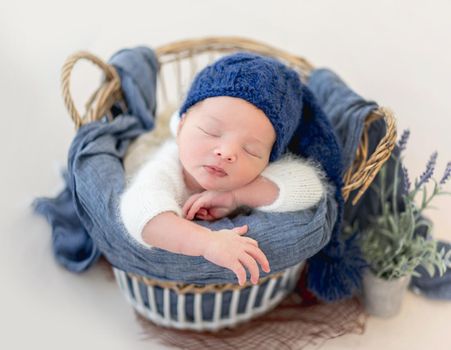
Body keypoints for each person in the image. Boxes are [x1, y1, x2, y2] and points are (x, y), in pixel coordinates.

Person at [120, 52, 327, 286]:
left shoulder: (256, 174)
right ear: (181, 124)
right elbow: (142, 212)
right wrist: (208, 243)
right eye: (211, 131)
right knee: (137, 153)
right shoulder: (166, 167)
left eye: (251, 150)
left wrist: (235, 195)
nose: (227, 152)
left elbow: (311, 188)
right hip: (166, 283)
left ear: (268, 159)